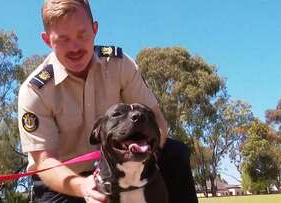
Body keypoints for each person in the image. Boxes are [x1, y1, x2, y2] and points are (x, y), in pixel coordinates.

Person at [18, 0, 198, 202]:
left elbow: (156, 120)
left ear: (95, 29)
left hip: (117, 162)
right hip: (63, 180)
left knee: (175, 154)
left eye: (82, 34)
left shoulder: (120, 64)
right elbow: (44, 162)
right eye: (63, 39)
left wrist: (142, 158)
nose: (75, 47)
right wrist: (84, 186)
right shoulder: (34, 90)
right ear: (47, 41)